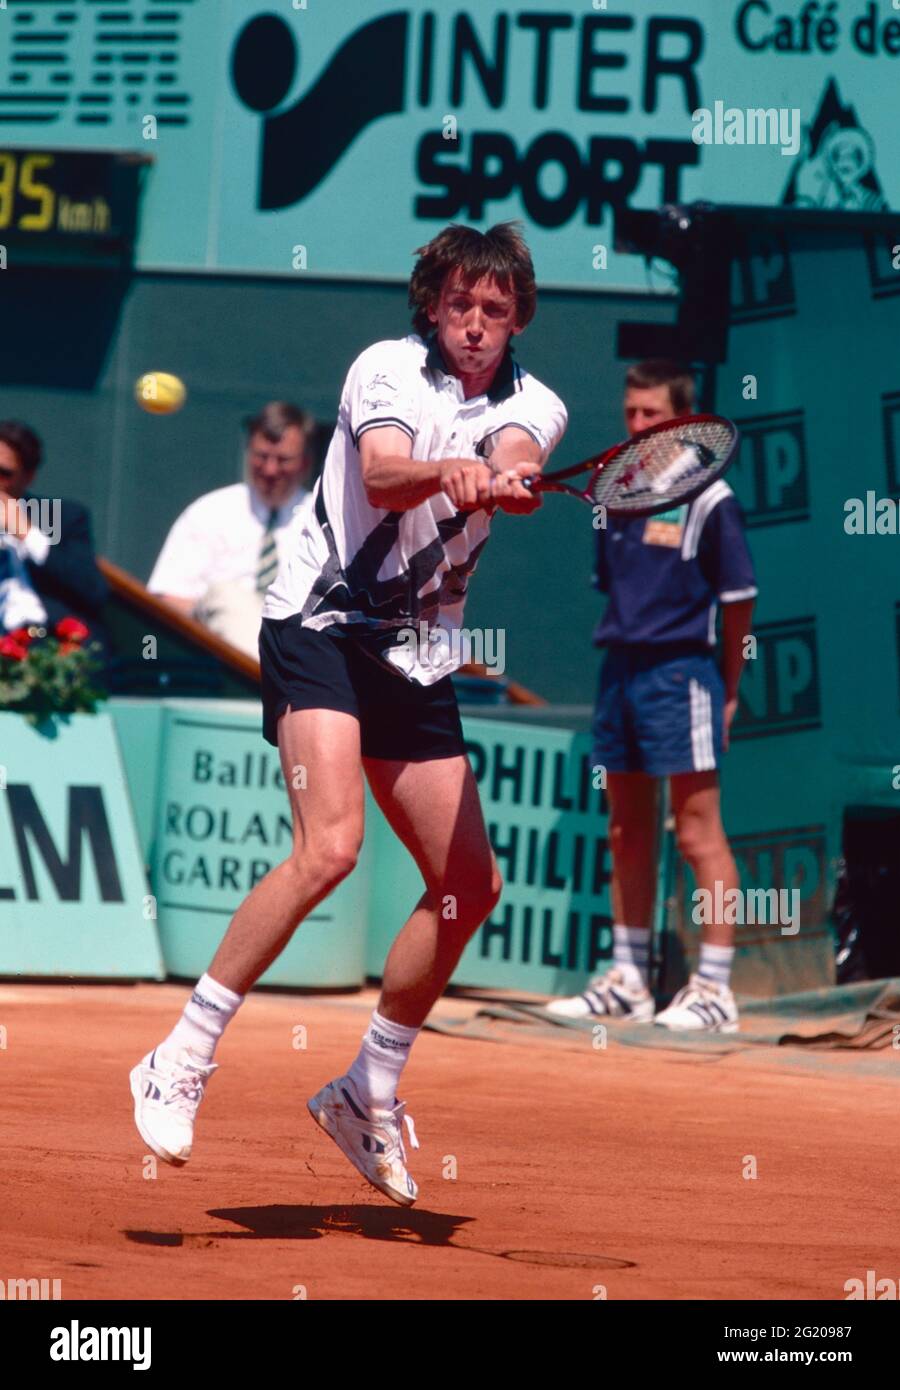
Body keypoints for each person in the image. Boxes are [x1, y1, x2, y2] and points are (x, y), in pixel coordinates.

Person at [130, 222, 568, 1204]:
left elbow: (510, 444)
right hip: (317, 624)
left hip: (415, 652)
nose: (474, 324)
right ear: (430, 305)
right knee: (328, 846)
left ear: (515, 320)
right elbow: (381, 469)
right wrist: (444, 472)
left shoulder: (537, 403)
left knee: (468, 885)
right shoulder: (383, 369)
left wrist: (504, 470)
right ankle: (180, 1054)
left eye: (494, 311)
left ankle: (365, 1087)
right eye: (458, 304)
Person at [547, 360, 756, 1032]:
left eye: (652, 414)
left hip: (681, 675)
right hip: (620, 672)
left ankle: (716, 989)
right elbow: (615, 589)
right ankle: (630, 980)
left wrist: (726, 689)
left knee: (697, 833)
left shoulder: (711, 500)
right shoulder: (611, 496)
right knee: (626, 829)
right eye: (631, 412)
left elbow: (738, 603)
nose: (638, 425)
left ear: (683, 419)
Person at [147, 402, 315, 657]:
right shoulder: (211, 512)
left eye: (283, 460)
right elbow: (167, 597)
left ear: (305, 463)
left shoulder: (319, 518)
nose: (270, 470)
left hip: (299, 642)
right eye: (261, 456)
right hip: (218, 652)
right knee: (227, 596)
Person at [0, 420, 109, 651]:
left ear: (28, 477)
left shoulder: (58, 517)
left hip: (48, 646)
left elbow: (93, 591)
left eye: (4, 473)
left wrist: (27, 533)